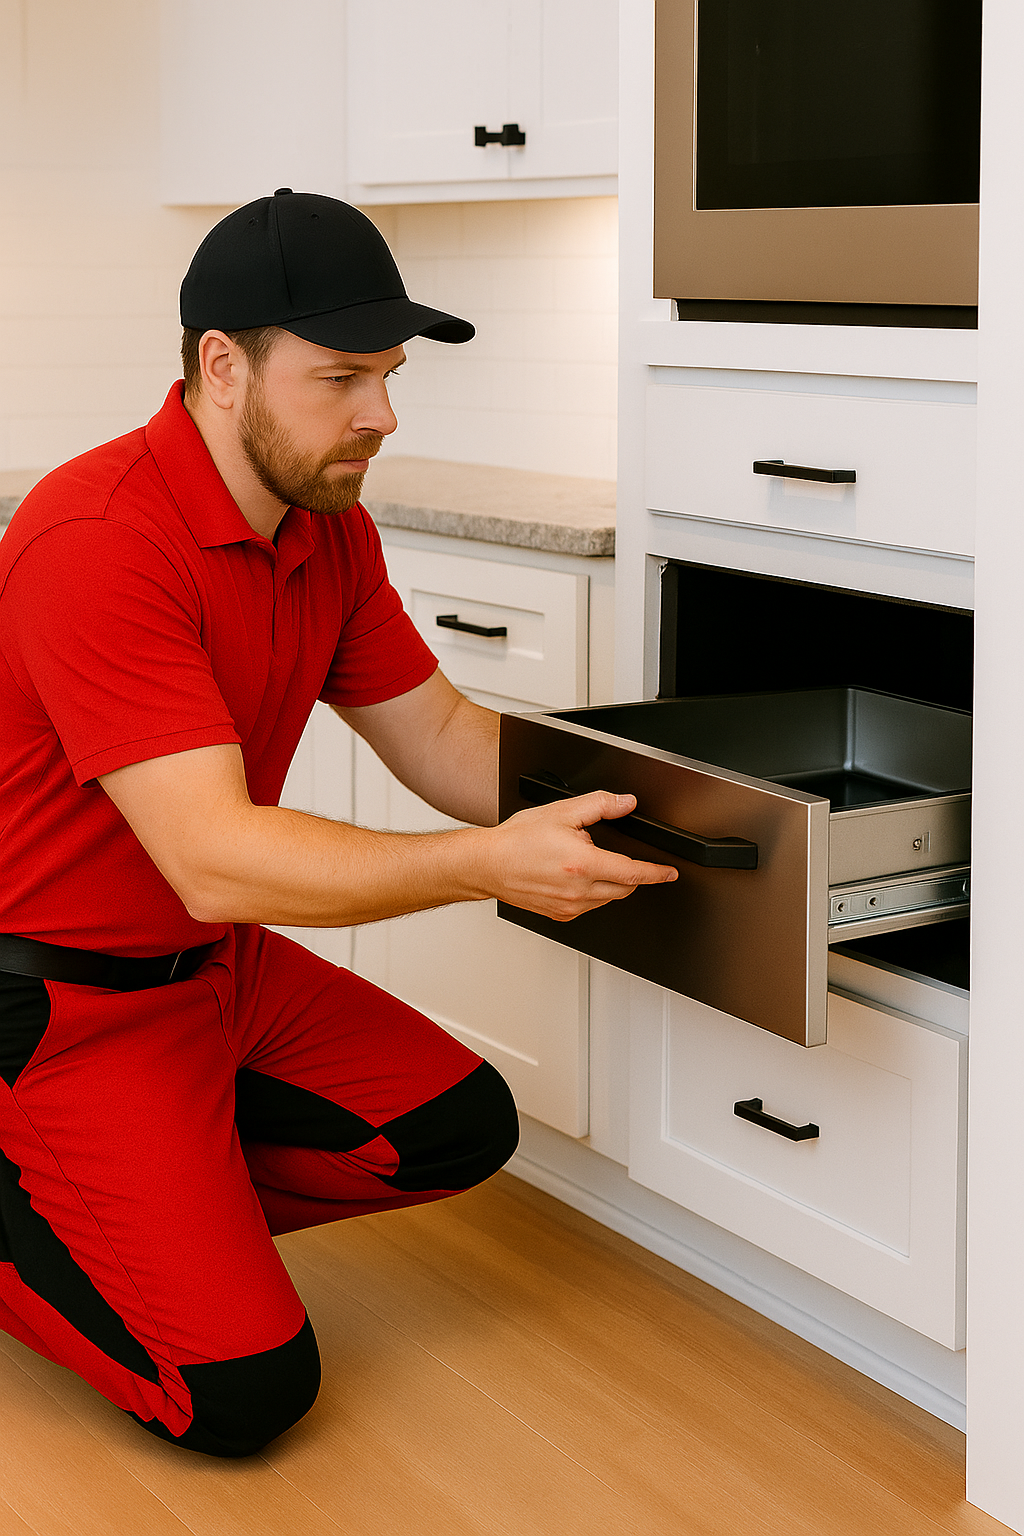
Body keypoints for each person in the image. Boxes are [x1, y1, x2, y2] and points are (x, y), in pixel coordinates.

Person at [0, 190, 676, 1458]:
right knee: (244, 1396)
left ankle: (138, 1212)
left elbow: (442, 738)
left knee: (455, 1128)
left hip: (217, 980)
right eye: (343, 378)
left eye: (391, 375)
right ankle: (49, 1200)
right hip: (59, 1009)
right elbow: (210, 859)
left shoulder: (326, 527)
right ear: (221, 366)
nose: (383, 413)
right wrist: (488, 868)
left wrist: (658, 809)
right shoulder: (97, 539)